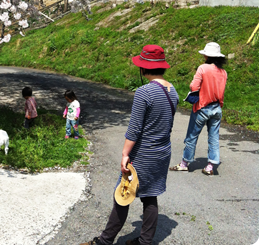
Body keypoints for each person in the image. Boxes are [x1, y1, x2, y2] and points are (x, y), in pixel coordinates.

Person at [81, 45, 178, 245]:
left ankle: (104, 241)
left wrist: (125, 154)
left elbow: (134, 129)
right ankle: (144, 242)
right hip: (162, 152)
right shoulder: (172, 90)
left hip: (143, 154)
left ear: (143, 68)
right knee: (150, 196)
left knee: (123, 193)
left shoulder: (144, 92)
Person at [170, 42, 227, 176]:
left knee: (192, 136)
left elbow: (193, 87)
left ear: (207, 55)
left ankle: (184, 164)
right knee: (213, 138)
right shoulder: (223, 72)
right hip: (217, 108)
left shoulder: (203, 68)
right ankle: (211, 166)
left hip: (202, 107)